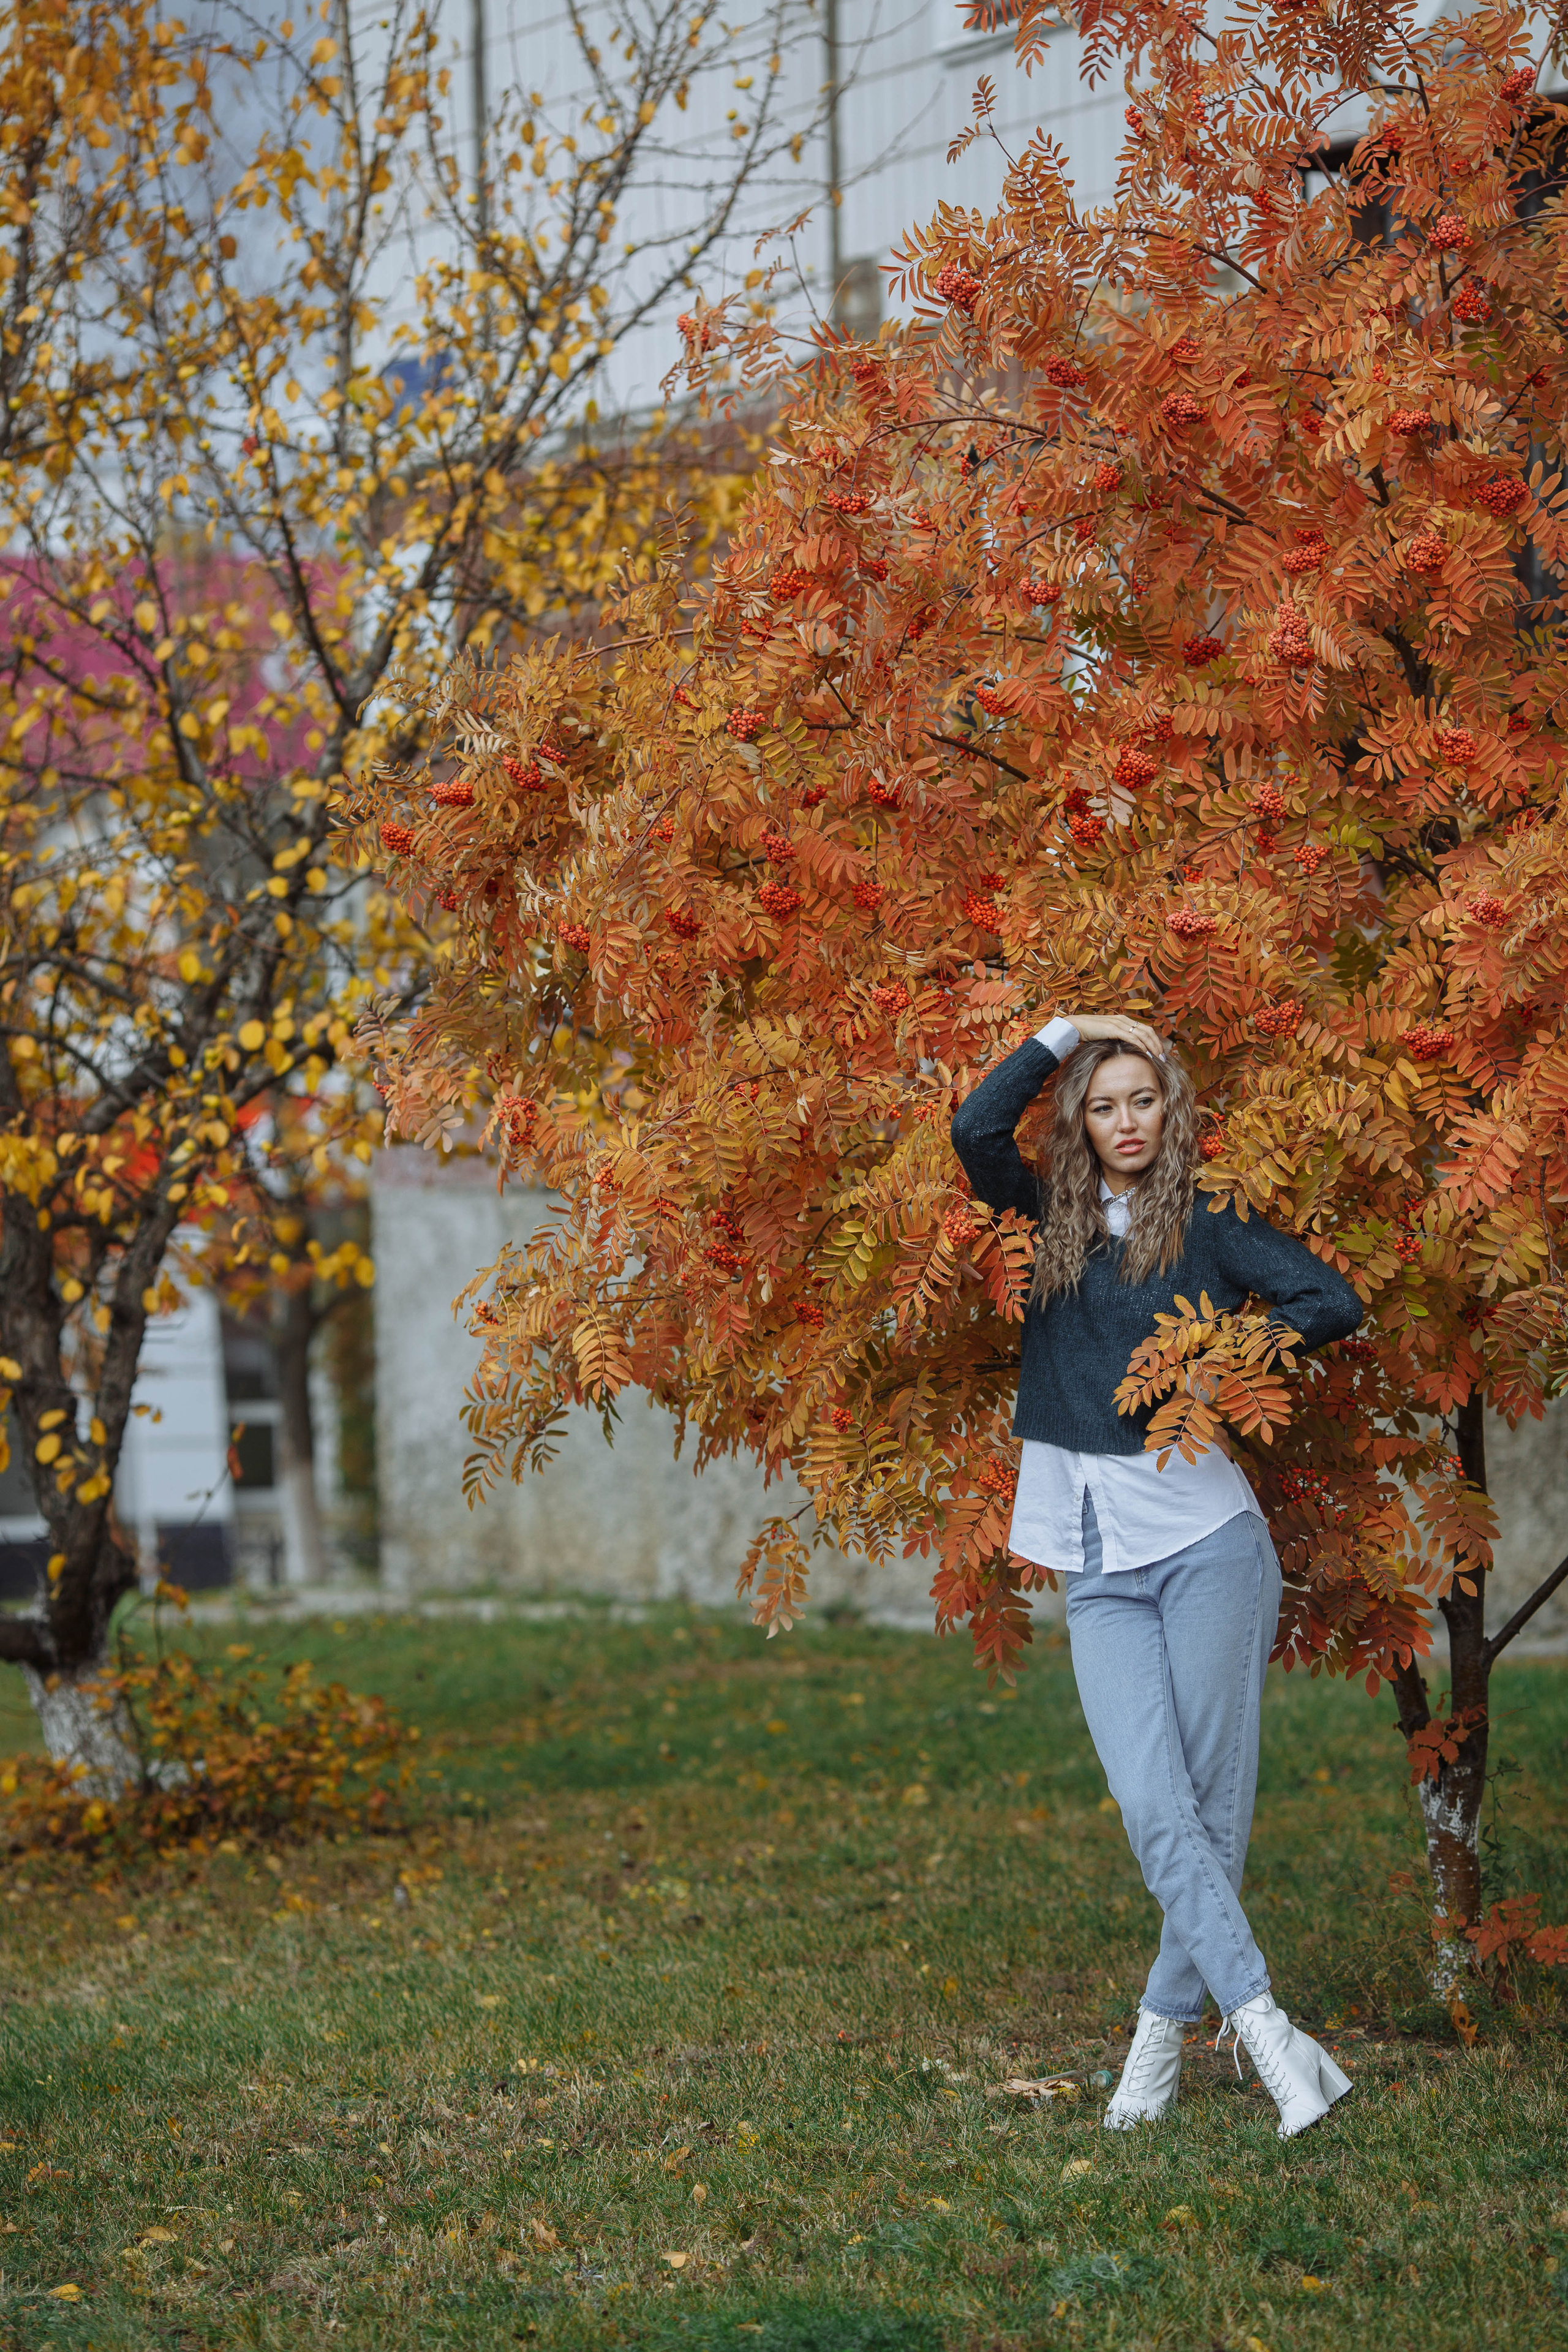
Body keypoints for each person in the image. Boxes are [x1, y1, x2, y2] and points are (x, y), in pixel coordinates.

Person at [950, 1010, 1363, 2139]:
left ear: (1169, 1113)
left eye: (1144, 1100)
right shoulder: (1047, 1218)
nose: (1126, 1122)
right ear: (1079, 1122)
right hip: (1098, 1563)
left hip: (1207, 1548)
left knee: (1206, 1811)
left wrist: (1221, 1369)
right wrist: (1071, 1031)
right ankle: (1272, 2032)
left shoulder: (1207, 1225)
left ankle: (1163, 2045)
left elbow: (1331, 1301)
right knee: (1150, 1803)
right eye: (1104, 1104)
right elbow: (976, 1127)